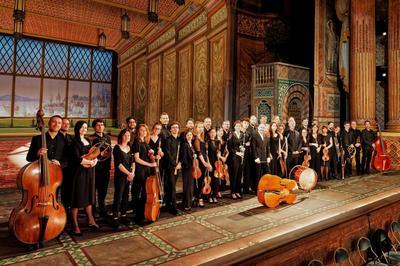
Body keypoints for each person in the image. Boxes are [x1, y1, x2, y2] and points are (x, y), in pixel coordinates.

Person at [70, 121, 99, 235]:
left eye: (86, 127)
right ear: (77, 128)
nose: (84, 129)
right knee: (77, 198)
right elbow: (76, 158)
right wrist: (88, 162)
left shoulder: (88, 140)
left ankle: (91, 220)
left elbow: (93, 153)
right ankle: (75, 225)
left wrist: (94, 161)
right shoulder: (74, 141)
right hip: (79, 172)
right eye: (82, 127)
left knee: (89, 196)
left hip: (89, 171)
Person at [132, 124, 157, 224]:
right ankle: (137, 215)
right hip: (139, 171)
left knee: (145, 193)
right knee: (138, 192)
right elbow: (137, 159)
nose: (144, 132)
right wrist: (150, 164)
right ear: (138, 132)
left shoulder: (146, 143)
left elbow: (148, 156)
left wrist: (152, 153)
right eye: (142, 130)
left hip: (146, 170)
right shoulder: (136, 143)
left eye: (145, 130)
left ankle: (143, 213)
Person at [112, 129, 134, 228]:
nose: (127, 137)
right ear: (121, 136)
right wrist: (128, 173)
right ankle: (115, 217)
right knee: (118, 196)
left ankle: (124, 215)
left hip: (129, 176)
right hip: (120, 176)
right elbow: (119, 164)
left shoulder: (130, 147)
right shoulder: (117, 148)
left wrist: (132, 173)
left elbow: (133, 162)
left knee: (126, 195)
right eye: (125, 135)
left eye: (129, 135)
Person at [90, 118, 112, 217]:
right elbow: (90, 154)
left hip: (105, 167)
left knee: (103, 189)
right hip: (95, 168)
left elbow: (109, 151)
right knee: (93, 190)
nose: (100, 127)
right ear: (94, 127)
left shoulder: (107, 138)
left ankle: (102, 208)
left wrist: (107, 154)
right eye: (98, 125)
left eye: (102, 125)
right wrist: (100, 155)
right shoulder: (91, 138)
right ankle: (93, 209)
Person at [193, 121, 212, 207]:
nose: (201, 129)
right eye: (199, 127)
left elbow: (206, 153)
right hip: (200, 162)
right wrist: (204, 163)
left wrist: (208, 163)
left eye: (202, 127)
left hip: (204, 160)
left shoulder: (203, 138)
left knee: (202, 181)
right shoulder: (196, 139)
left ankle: (199, 197)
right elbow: (199, 152)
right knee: (199, 181)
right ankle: (199, 198)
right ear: (196, 128)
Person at [164, 121, 181, 214]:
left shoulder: (179, 140)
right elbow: (168, 154)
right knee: (172, 187)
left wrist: (180, 163)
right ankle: (174, 207)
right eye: (173, 127)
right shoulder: (168, 140)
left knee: (171, 186)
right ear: (170, 129)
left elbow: (181, 153)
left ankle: (168, 204)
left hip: (177, 166)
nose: (175, 129)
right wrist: (175, 164)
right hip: (170, 166)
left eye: (177, 127)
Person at [60, 117, 74, 210]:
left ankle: (66, 208)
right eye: (64, 123)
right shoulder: (55, 136)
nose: (66, 125)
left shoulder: (71, 137)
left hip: (69, 168)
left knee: (67, 189)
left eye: (68, 124)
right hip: (58, 167)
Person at [228, 120, 245, 199]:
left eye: (239, 126)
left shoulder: (242, 135)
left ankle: (238, 191)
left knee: (239, 174)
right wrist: (236, 153)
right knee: (234, 175)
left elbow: (241, 145)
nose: (238, 127)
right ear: (234, 127)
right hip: (234, 157)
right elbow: (230, 147)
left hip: (240, 157)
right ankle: (233, 192)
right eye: (237, 126)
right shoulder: (232, 135)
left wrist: (242, 148)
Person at [179, 130, 195, 211]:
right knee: (187, 186)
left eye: (190, 135)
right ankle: (186, 204)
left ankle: (188, 203)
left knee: (190, 186)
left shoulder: (191, 144)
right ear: (185, 136)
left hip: (191, 167)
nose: (189, 136)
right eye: (188, 135)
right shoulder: (185, 145)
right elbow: (184, 158)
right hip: (187, 168)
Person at [207, 127, 220, 203]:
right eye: (211, 132)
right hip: (211, 162)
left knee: (216, 180)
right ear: (209, 133)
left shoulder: (218, 141)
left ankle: (214, 195)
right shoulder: (207, 142)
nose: (213, 134)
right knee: (210, 180)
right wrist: (208, 164)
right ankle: (209, 196)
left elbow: (219, 151)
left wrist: (219, 154)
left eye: (214, 132)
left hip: (217, 163)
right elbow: (206, 154)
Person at [241, 118, 252, 194]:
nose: (246, 125)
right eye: (245, 123)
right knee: (239, 172)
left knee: (247, 172)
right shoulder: (239, 132)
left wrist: (249, 143)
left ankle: (246, 189)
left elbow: (250, 142)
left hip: (247, 154)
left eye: (247, 124)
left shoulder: (248, 133)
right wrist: (245, 144)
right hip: (240, 154)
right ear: (242, 123)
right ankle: (238, 189)